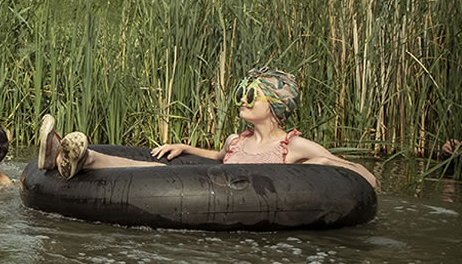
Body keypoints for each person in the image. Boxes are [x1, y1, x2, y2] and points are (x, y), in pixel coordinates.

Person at [37, 67, 378, 189]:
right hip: (213, 185)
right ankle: (71, 155)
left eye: (249, 96)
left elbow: (357, 173)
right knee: (152, 168)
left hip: (243, 201)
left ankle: (80, 157)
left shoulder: (294, 147)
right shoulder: (235, 139)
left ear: (275, 106)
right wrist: (185, 148)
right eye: (239, 93)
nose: (241, 100)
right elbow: (218, 156)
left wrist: (325, 167)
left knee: (156, 174)